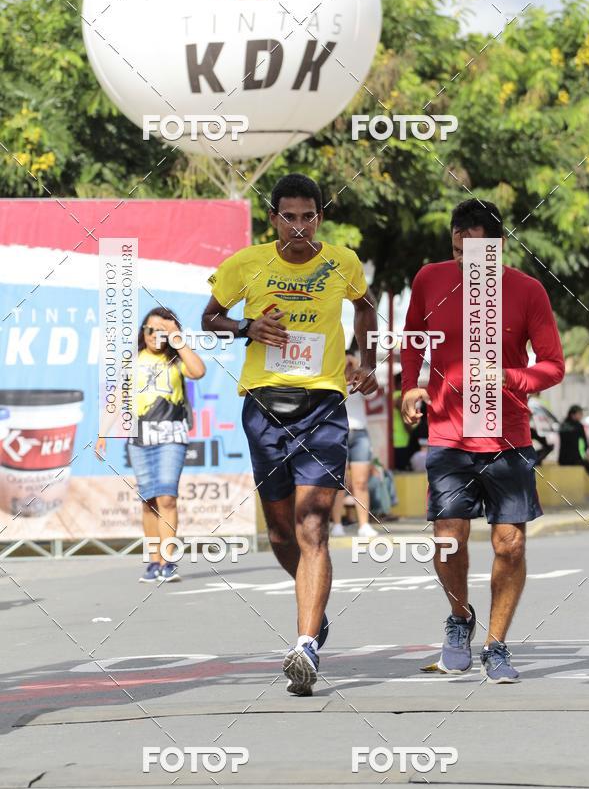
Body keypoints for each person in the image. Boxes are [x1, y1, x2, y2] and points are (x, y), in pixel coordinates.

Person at [201, 173, 378, 696]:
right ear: (273, 218)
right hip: (264, 406)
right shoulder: (247, 264)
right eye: (289, 217)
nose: (299, 227)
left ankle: (305, 644)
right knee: (281, 533)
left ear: (319, 218)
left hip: (323, 405)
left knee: (313, 526)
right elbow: (210, 316)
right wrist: (246, 328)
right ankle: (313, 608)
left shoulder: (341, 262)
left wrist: (366, 363)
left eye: (309, 217)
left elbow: (365, 307)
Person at [401, 199, 564, 683]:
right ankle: (459, 618)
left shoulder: (528, 291)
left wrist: (509, 377)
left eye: (476, 253)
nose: (466, 262)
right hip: (448, 434)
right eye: (457, 251)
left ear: (499, 246)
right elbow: (413, 340)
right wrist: (411, 386)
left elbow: (552, 365)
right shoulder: (429, 279)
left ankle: (495, 644)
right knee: (448, 538)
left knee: (510, 544)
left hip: (508, 437)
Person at [95, 307, 206, 583]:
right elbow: (117, 401)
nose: (156, 335)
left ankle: (168, 562)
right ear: (142, 332)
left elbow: (198, 372)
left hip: (172, 436)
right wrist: (102, 434)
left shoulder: (176, 360)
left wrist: (178, 340)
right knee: (148, 501)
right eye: (151, 329)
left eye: (163, 331)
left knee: (167, 496)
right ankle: (153, 562)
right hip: (139, 439)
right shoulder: (131, 362)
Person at [331, 353, 378, 538]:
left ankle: (364, 525)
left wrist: (359, 369)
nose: (348, 365)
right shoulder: (333, 376)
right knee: (338, 482)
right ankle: (336, 524)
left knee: (361, 482)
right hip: (338, 432)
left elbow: (372, 395)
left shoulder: (359, 379)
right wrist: (341, 370)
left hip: (359, 432)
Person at [559, 405, 589, 487]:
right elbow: (584, 442)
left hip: (562, 459)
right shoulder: (579, 426)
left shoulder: (563, 425)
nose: (581, 415)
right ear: (573, 415)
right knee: (586, 463)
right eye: (580, 413)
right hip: (574, 459)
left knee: (584, 462)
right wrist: (584, 452)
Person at [392, 370, 412, 471]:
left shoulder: (391, 397)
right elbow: (405, 419)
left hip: (393, 441)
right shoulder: (400, 398)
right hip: (402, 442)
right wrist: (412, 433)